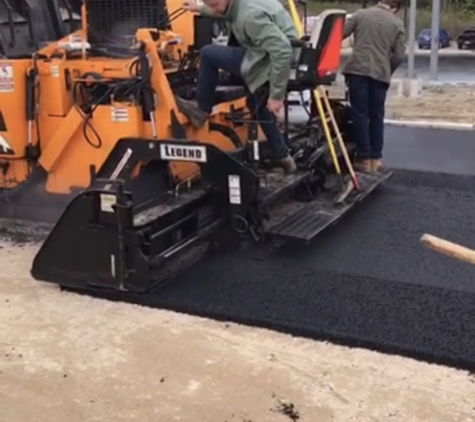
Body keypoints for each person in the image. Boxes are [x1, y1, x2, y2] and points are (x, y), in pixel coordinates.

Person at [178, 0, 298, 173]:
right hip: (271, 51)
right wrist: (201, 9)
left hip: (268, 58)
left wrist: (277, 94)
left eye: (214, 5)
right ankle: (283, 156)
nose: (214, 9)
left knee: (208, 54)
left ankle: (202, 110)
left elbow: (282, 50)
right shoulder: (241, 4)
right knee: (256, 103)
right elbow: (227, 11)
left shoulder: (249, 17)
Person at [342, 0, 405, 173]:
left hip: (358, 70)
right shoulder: (396, 23)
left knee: (360, 113)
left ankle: (363, 158)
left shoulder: (360, 15)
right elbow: (399, 56)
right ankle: (376, 159)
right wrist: (386, 70)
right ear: (396, 7)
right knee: (376, 114)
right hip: (380, 75)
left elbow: (339, 35)